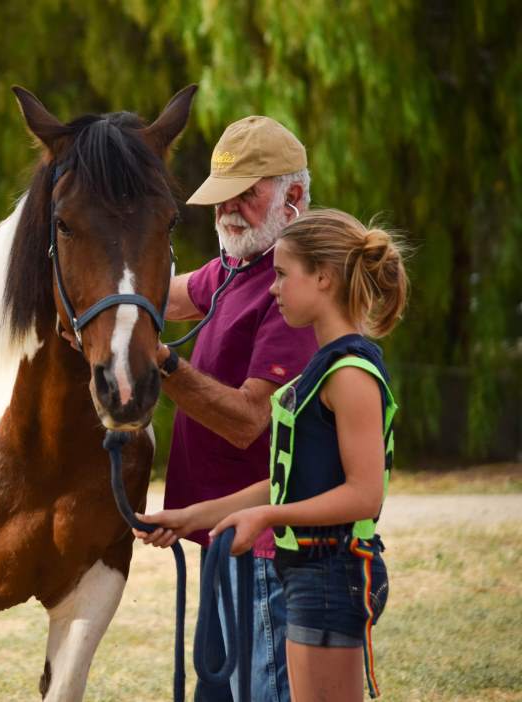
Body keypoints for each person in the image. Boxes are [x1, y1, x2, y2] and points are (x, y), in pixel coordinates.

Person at [142, 208, 407, 701]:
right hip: (307, 571)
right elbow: (290, 480)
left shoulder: (350, 374)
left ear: (323, 278)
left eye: (283, 275)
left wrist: (267, 516)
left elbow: (364, 495)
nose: (272, 288)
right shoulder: (321, 368)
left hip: (333, 573)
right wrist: (191, 516)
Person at [135, 116, 317, 702]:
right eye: (222, 196)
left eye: (246, 194)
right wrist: (92, 288)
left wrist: (158, 361)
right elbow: (162, 297)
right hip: (224, 539)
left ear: (292, 195)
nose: (229, 209)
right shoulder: (238, 265)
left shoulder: (293, 287)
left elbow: (247, 422)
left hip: (265, 550)